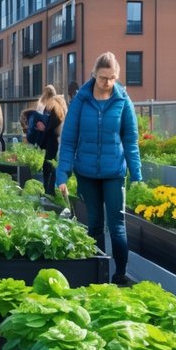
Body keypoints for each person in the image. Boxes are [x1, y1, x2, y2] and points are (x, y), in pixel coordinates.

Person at [56, 51, 142, 286]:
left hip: (114, 173)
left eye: (113, 78)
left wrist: (137, 176)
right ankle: (100, 275)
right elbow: (69, 140)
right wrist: (62, 173)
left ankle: (120, 274)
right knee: (93, 225)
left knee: (117, 226)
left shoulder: (123, 101)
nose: (108, 83)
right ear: (94, 74)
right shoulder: (81, 101)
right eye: (104, 78)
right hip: (87, 174)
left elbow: (130, 140)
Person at [41, 94, 66, 196]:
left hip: (52, 145)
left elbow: (50, 128)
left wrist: (44, 129)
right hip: (56, 144)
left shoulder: (55, 113)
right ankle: (51, 191)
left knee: (49, 169)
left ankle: (49, 192)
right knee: (53, 169)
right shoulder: (63, 113)